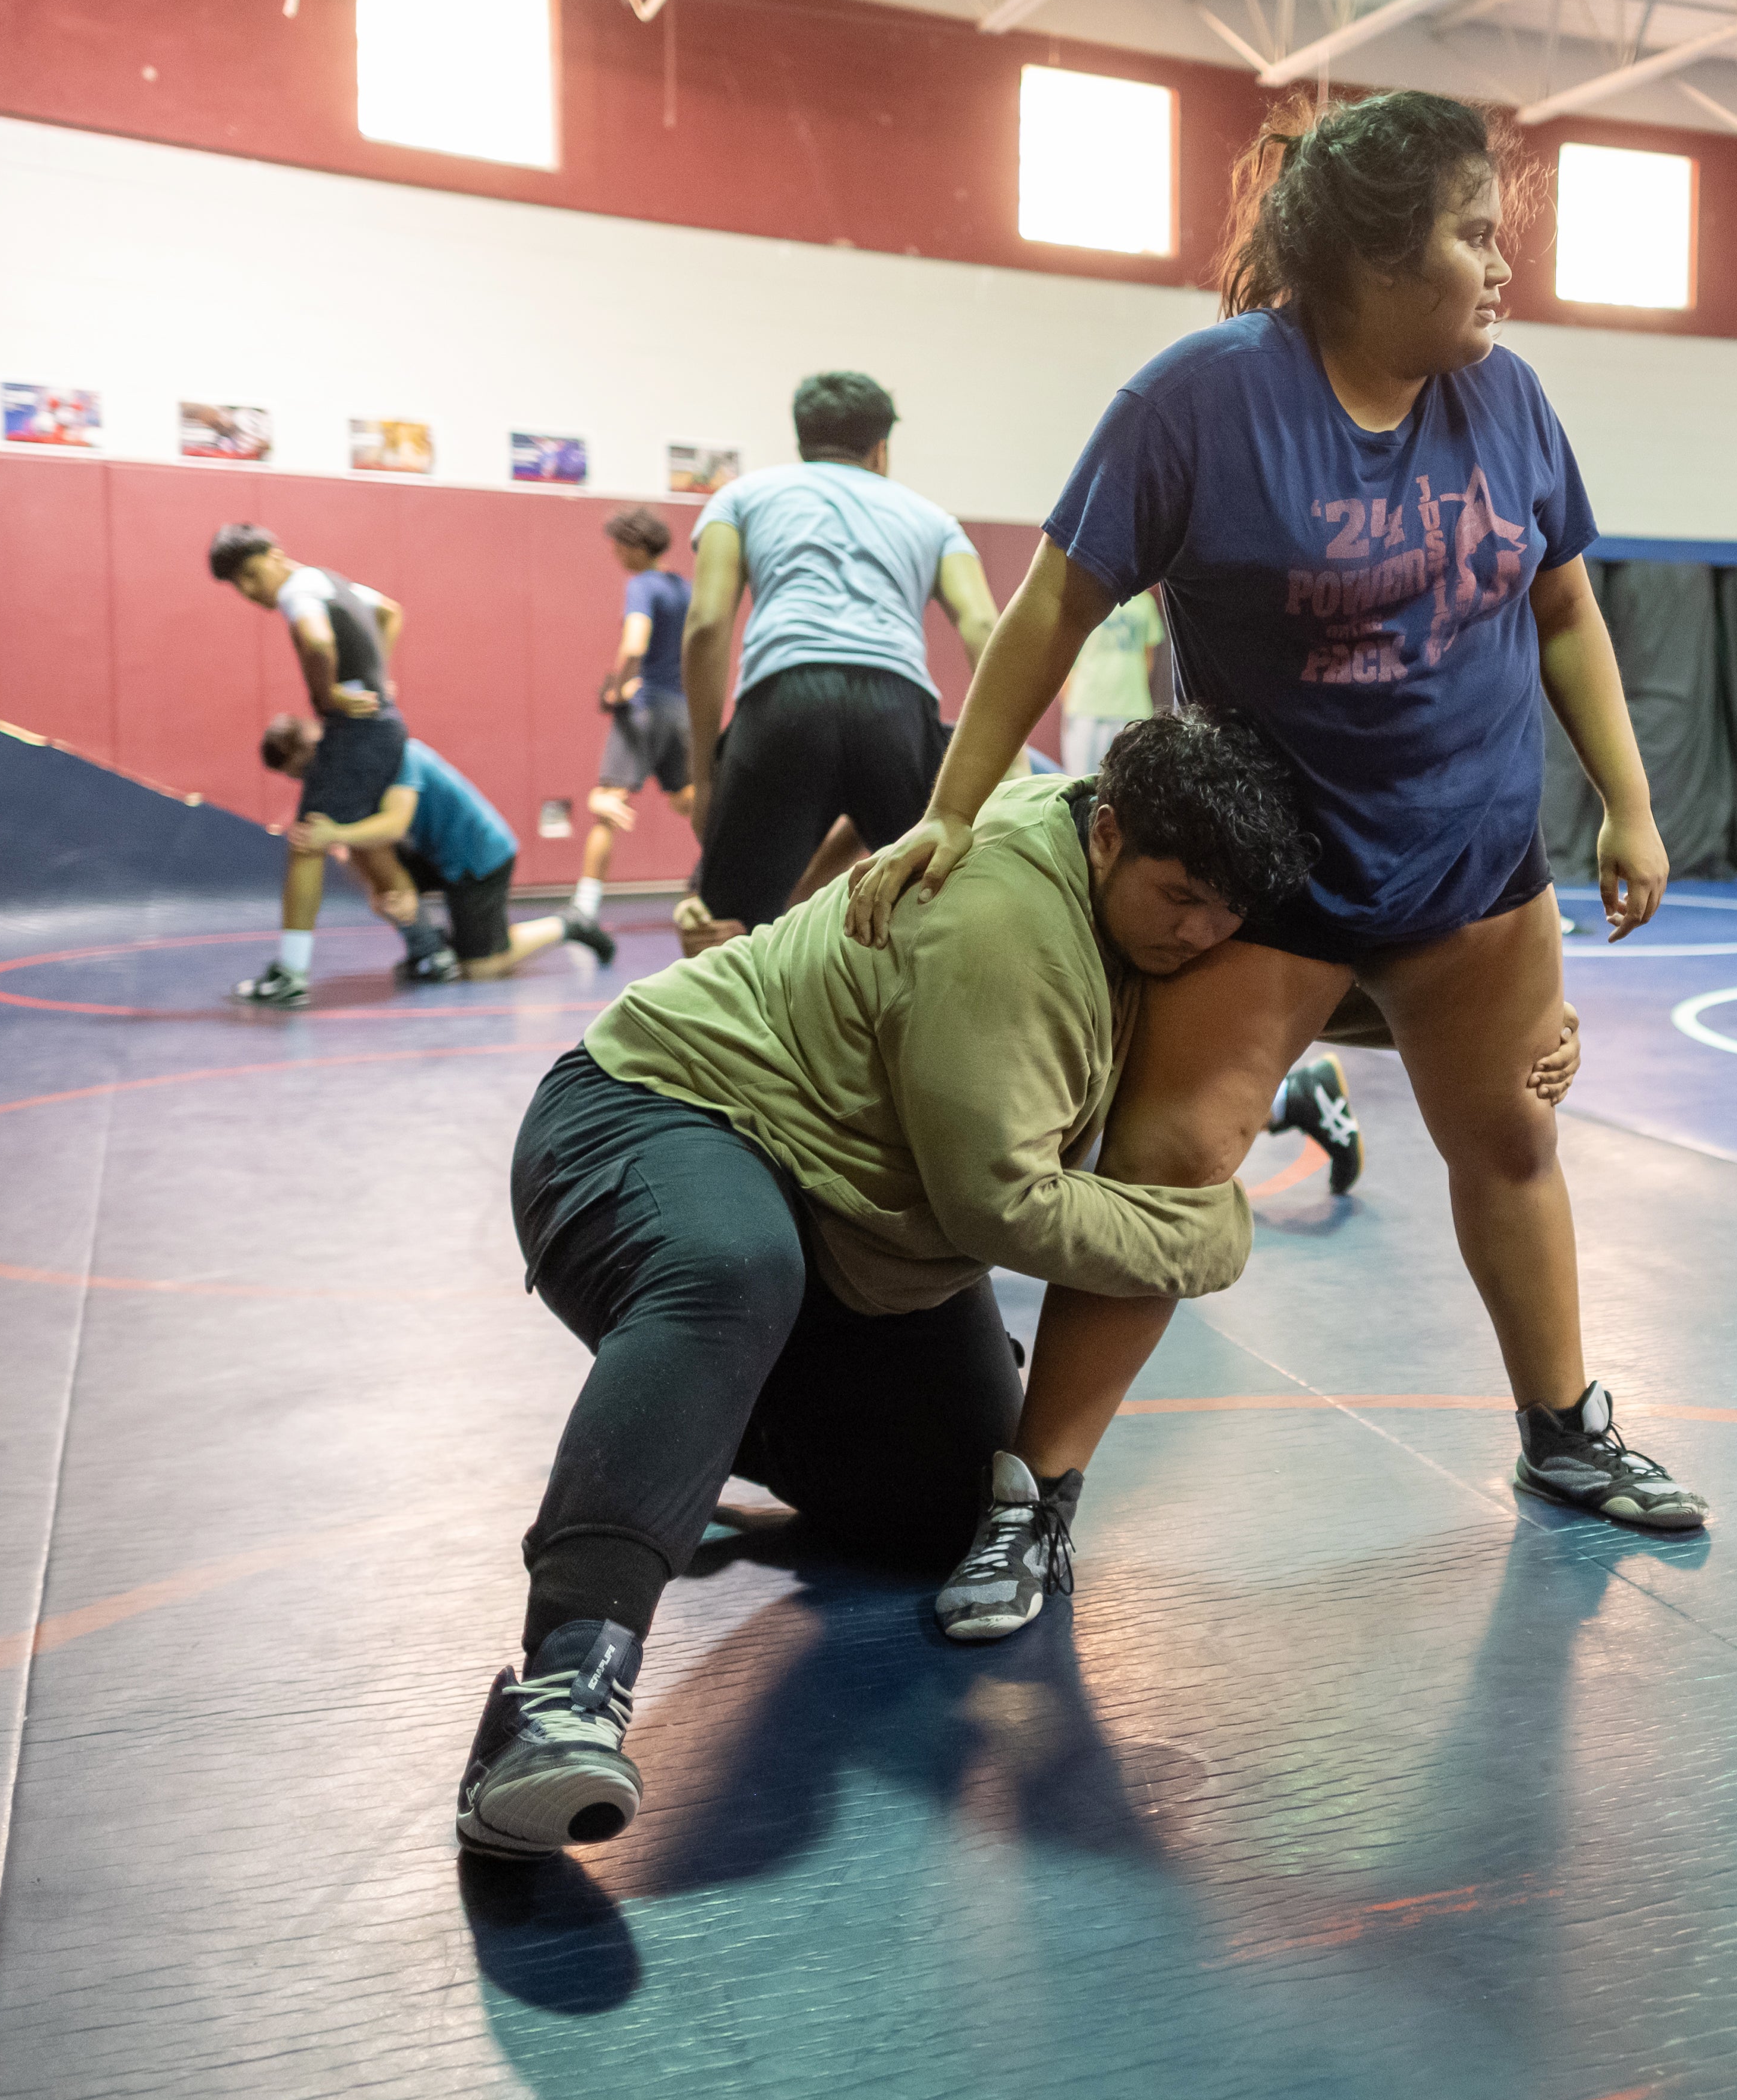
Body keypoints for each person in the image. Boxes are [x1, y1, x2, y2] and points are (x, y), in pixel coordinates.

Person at [846, 88, 1708, 1648]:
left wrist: (1627, 806)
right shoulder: (1201, 405)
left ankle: (1563, 1428)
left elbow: (1567, 613)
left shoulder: (1509, 403)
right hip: (1277, 877)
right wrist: (952, 809)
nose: (1500, 271)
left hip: (1476, 866)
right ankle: (1035, 1494)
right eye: (1470, 236)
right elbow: (1047, 607)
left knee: (1511, 1146)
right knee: (1168, 1168)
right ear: (1373, 262)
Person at [456, 713, 1309, 1857]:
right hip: (652, 1117)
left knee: (949, 1509)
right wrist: (1212, 1240)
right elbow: (998, 1209)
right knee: (728, 1267)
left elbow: (1308, 974)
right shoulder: (1008, 922)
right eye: (1182, 896)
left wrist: (1501, 1036)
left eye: (1228, 910)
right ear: (1107, 833)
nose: (1203, 933)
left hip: (850, 1232)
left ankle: (685, 1439)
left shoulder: (1140, 874)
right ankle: (560, 1687)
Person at [683, 372, 1005, 927]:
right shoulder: (933, 520)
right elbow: (982, 625)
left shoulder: (739, 498)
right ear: (881, 450)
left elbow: (707, 625)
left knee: (724, 932)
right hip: (895, 713)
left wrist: (705, 775)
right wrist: (1009, 763)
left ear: (802, 444)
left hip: (784, 704)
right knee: (943, 915)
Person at [210, 523, 413, 1010]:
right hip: (385, 725)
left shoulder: (297, 591)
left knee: (308, 842)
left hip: (357, 731)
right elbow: (390, 611)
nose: (250, 590)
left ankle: (291, 976)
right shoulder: (328, 581)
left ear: (277, 556)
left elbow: (318, 643)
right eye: (239, 585)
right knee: (366, 845)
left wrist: (329, 694)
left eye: (252, 575)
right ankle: (429, 950)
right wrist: (378, 678)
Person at [264, 715, 612, 983]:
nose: (308, 781)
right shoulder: (357, 771)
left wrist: (336, 834)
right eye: (298, 777)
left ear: (316, 745)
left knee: (482, 967)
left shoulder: (398, 756)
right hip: (438, 857)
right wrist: (379, 887)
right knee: (363, 851)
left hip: (479, 857)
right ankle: (428, 947)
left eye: (306, 770)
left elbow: (396, 824)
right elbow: (370, 843)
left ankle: (571, 924)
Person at [574, 507, 692, 925]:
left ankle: (584, 909)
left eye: (620, 546)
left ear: (639, 548)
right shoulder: (684, 589)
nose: (616, 554)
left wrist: (617, 687)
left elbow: (635, 643)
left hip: (644, 708)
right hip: (682, 711)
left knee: (607, 802)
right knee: (688, 800)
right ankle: (720, 874)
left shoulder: (642, 586)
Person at [1062, 590, 1168, 776]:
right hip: (1086, 709)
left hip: (1132, 711)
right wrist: (1070, 702)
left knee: (1132, 785)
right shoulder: (1087, 595)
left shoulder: (1145, 603)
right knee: (1080, 786)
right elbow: (1066, 658)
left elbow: (1148, 657)